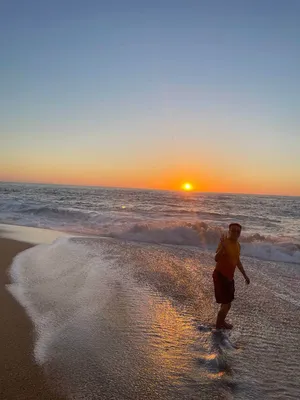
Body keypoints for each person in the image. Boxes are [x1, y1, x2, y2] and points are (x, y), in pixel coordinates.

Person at [213, 223, 250, 329]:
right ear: (229, 231)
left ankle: (222, 322)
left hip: (229, 277)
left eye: (238, 231)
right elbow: (216, 258)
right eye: (233, 230)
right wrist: (222, 248)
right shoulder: (225, 243)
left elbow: (237, 261)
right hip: (220, 275)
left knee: (227, 304)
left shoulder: (238, 245)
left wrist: (245, 275)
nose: (236, 233)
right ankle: (218, 328)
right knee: (226, 304)